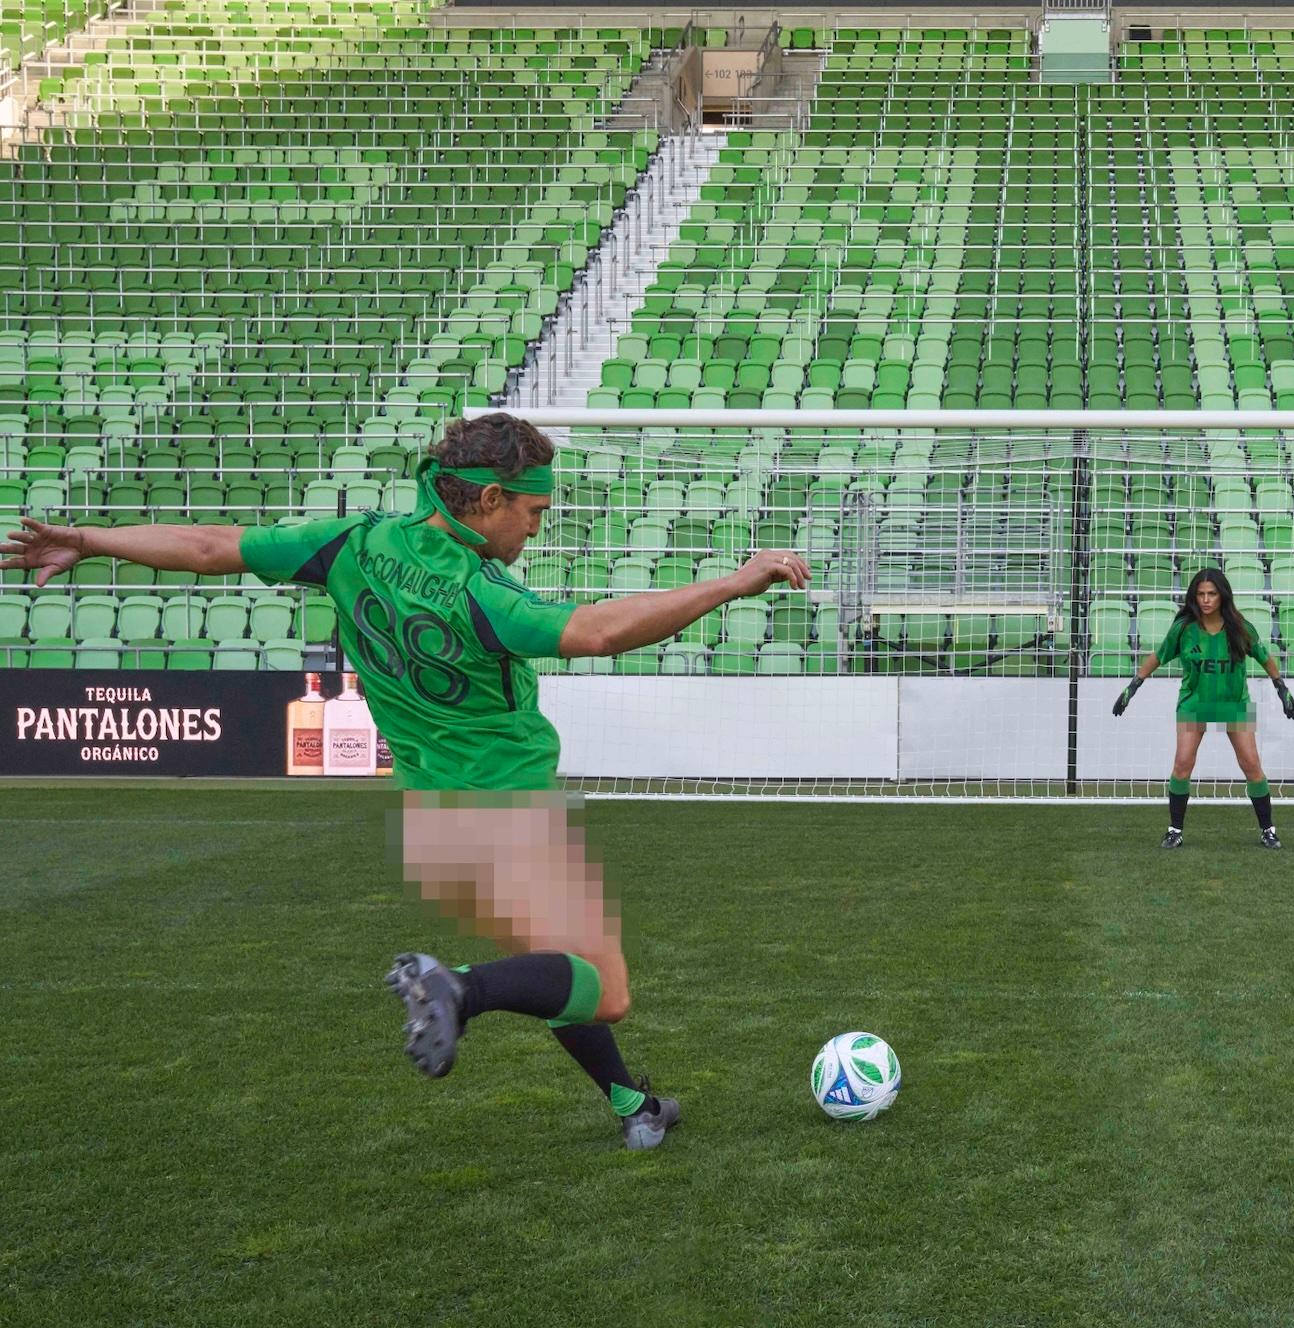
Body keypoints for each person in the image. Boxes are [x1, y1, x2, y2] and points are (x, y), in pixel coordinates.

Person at [3, 412, 809, 1150]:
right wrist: (732, 583)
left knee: (548, 968)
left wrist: (91, 539)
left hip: (435, 813)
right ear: (489, 498)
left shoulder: (355, 543)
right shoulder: (481, 592)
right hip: (508, 809)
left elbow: (215, 548)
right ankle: (452, 987)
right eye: (533, 512)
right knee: (603, 991)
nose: (537, 526)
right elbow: (595, 634)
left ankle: (632, 1105)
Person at [1112, 567, 1294, 849]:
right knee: (1182, 764)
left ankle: (1268, 829)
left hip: (1233, 704)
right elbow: (1158, 656)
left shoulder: (1241, 628)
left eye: (1212, 594)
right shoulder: (1184, 629)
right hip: (1194, 703)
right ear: (1194, 597)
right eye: (1201, 594)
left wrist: (1281, 688)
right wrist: (1133, 685)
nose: (1206, 599)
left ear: (1222, 596)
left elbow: (1265, 658)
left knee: (1251, 765)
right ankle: (1175, 830)